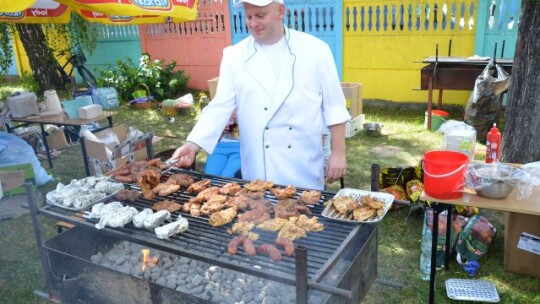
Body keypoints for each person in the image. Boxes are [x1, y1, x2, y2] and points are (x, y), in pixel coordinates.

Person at [171, 0, 350, 190]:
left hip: (302, 165)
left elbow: (334, 107)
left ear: (281, 11)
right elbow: (219, 107)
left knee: (305, 215)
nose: (253, 23)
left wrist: (338, 153)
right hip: (258, 168)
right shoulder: (234, 56)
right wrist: (192, 144)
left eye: (260, 15)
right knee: (258, 213)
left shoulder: (315, 50)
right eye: (249, 16)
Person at [204, 111, 241, 178]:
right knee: (209, 177)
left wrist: (240, 119)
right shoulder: (225, 104)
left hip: (241, 146)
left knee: (227, 178)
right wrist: (221, 123)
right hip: (221, 144)